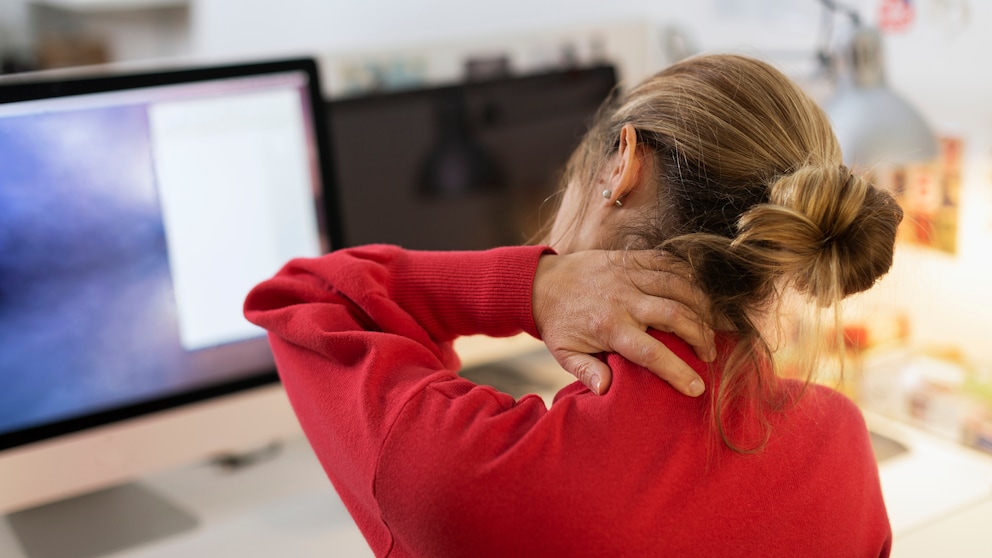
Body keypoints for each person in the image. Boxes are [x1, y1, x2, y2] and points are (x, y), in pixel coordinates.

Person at [244, 54, 901, 557]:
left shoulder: (471, 472)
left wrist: (532, 287)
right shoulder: (842, 444)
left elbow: (302, 298)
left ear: (623, 165)